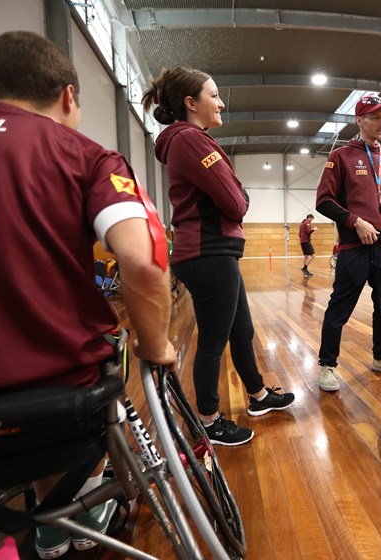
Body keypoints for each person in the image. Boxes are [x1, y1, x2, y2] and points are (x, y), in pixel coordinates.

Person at [0, 31, 175, 559]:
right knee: (103, 370)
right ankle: (69, 515)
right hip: (58, 394)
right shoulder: (86, 154)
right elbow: (141, 262)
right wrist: (157, 344)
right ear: (70, 96)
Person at [142, 67, 295, 445]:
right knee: (212, 342)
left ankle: (258, 396)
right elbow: (234, 202)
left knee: (241, 331)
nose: (222, 102)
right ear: (191, 103)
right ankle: (208, 421)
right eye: (214, 95)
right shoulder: (191, 140)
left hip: (215, 253)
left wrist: (237, 194)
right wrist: (241, 196)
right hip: (207, 255)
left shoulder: (190, 139)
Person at [314, 92, 381, 392]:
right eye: (375, 116)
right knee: (340, 307)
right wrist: (355, 222)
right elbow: (323, 201)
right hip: (354, 247)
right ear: (359, 120)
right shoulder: (341, 156)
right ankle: (327, 365)